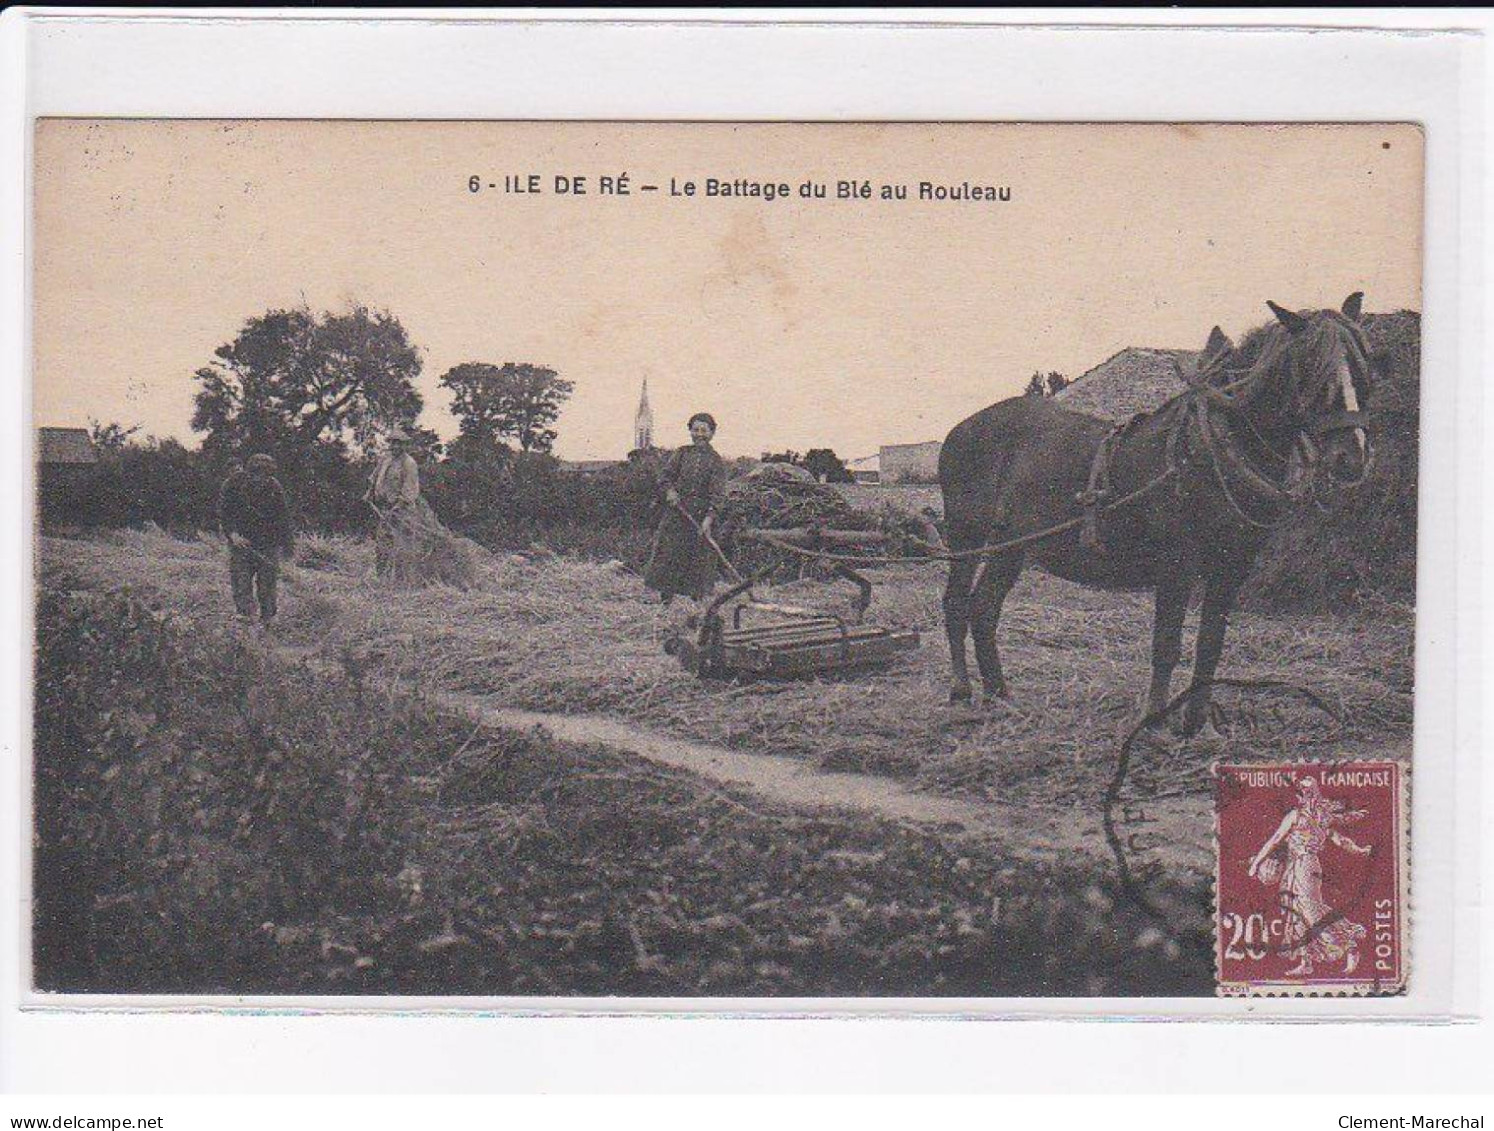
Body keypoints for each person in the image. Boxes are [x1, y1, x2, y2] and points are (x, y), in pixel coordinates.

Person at [1247, 775, 1372, 977]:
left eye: (1309, 792)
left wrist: (1255, 864)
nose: (1307, 796)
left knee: (1311, 911)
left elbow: (1276, 839)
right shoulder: (1314, 816)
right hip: (1295, 866)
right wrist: (1359, 849)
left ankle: (1349, 945)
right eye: (1304, 792)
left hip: (1305, 865)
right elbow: (1339, 839)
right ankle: (1306, 961)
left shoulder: (1308, 816)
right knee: (1296, 911)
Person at [644, 412, 728, 606]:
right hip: (677, 512)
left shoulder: (716, 461)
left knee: (699, 558)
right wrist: (670, 492)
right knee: (670, 553)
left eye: (704, 431)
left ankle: (695, 603)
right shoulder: (681, 454)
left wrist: (708, 519)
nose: (699, 434)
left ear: (712, 434)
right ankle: (666, 599)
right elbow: (665, 477)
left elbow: (718, 494)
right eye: (695, 429)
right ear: (690, 431)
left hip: (701, 517)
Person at [218, 453, 294, 625]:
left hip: (267, 542)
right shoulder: (233, 484)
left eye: (267, 476)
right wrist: (232, 534)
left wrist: (285, 548)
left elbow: (283, 518)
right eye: (258, 475)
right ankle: (245, 619)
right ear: (250, 473)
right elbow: (224, 513)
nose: (262, 480)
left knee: (268, 583)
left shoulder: (274, 487)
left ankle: (268, 619)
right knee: (241, 580)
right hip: (242, 541)